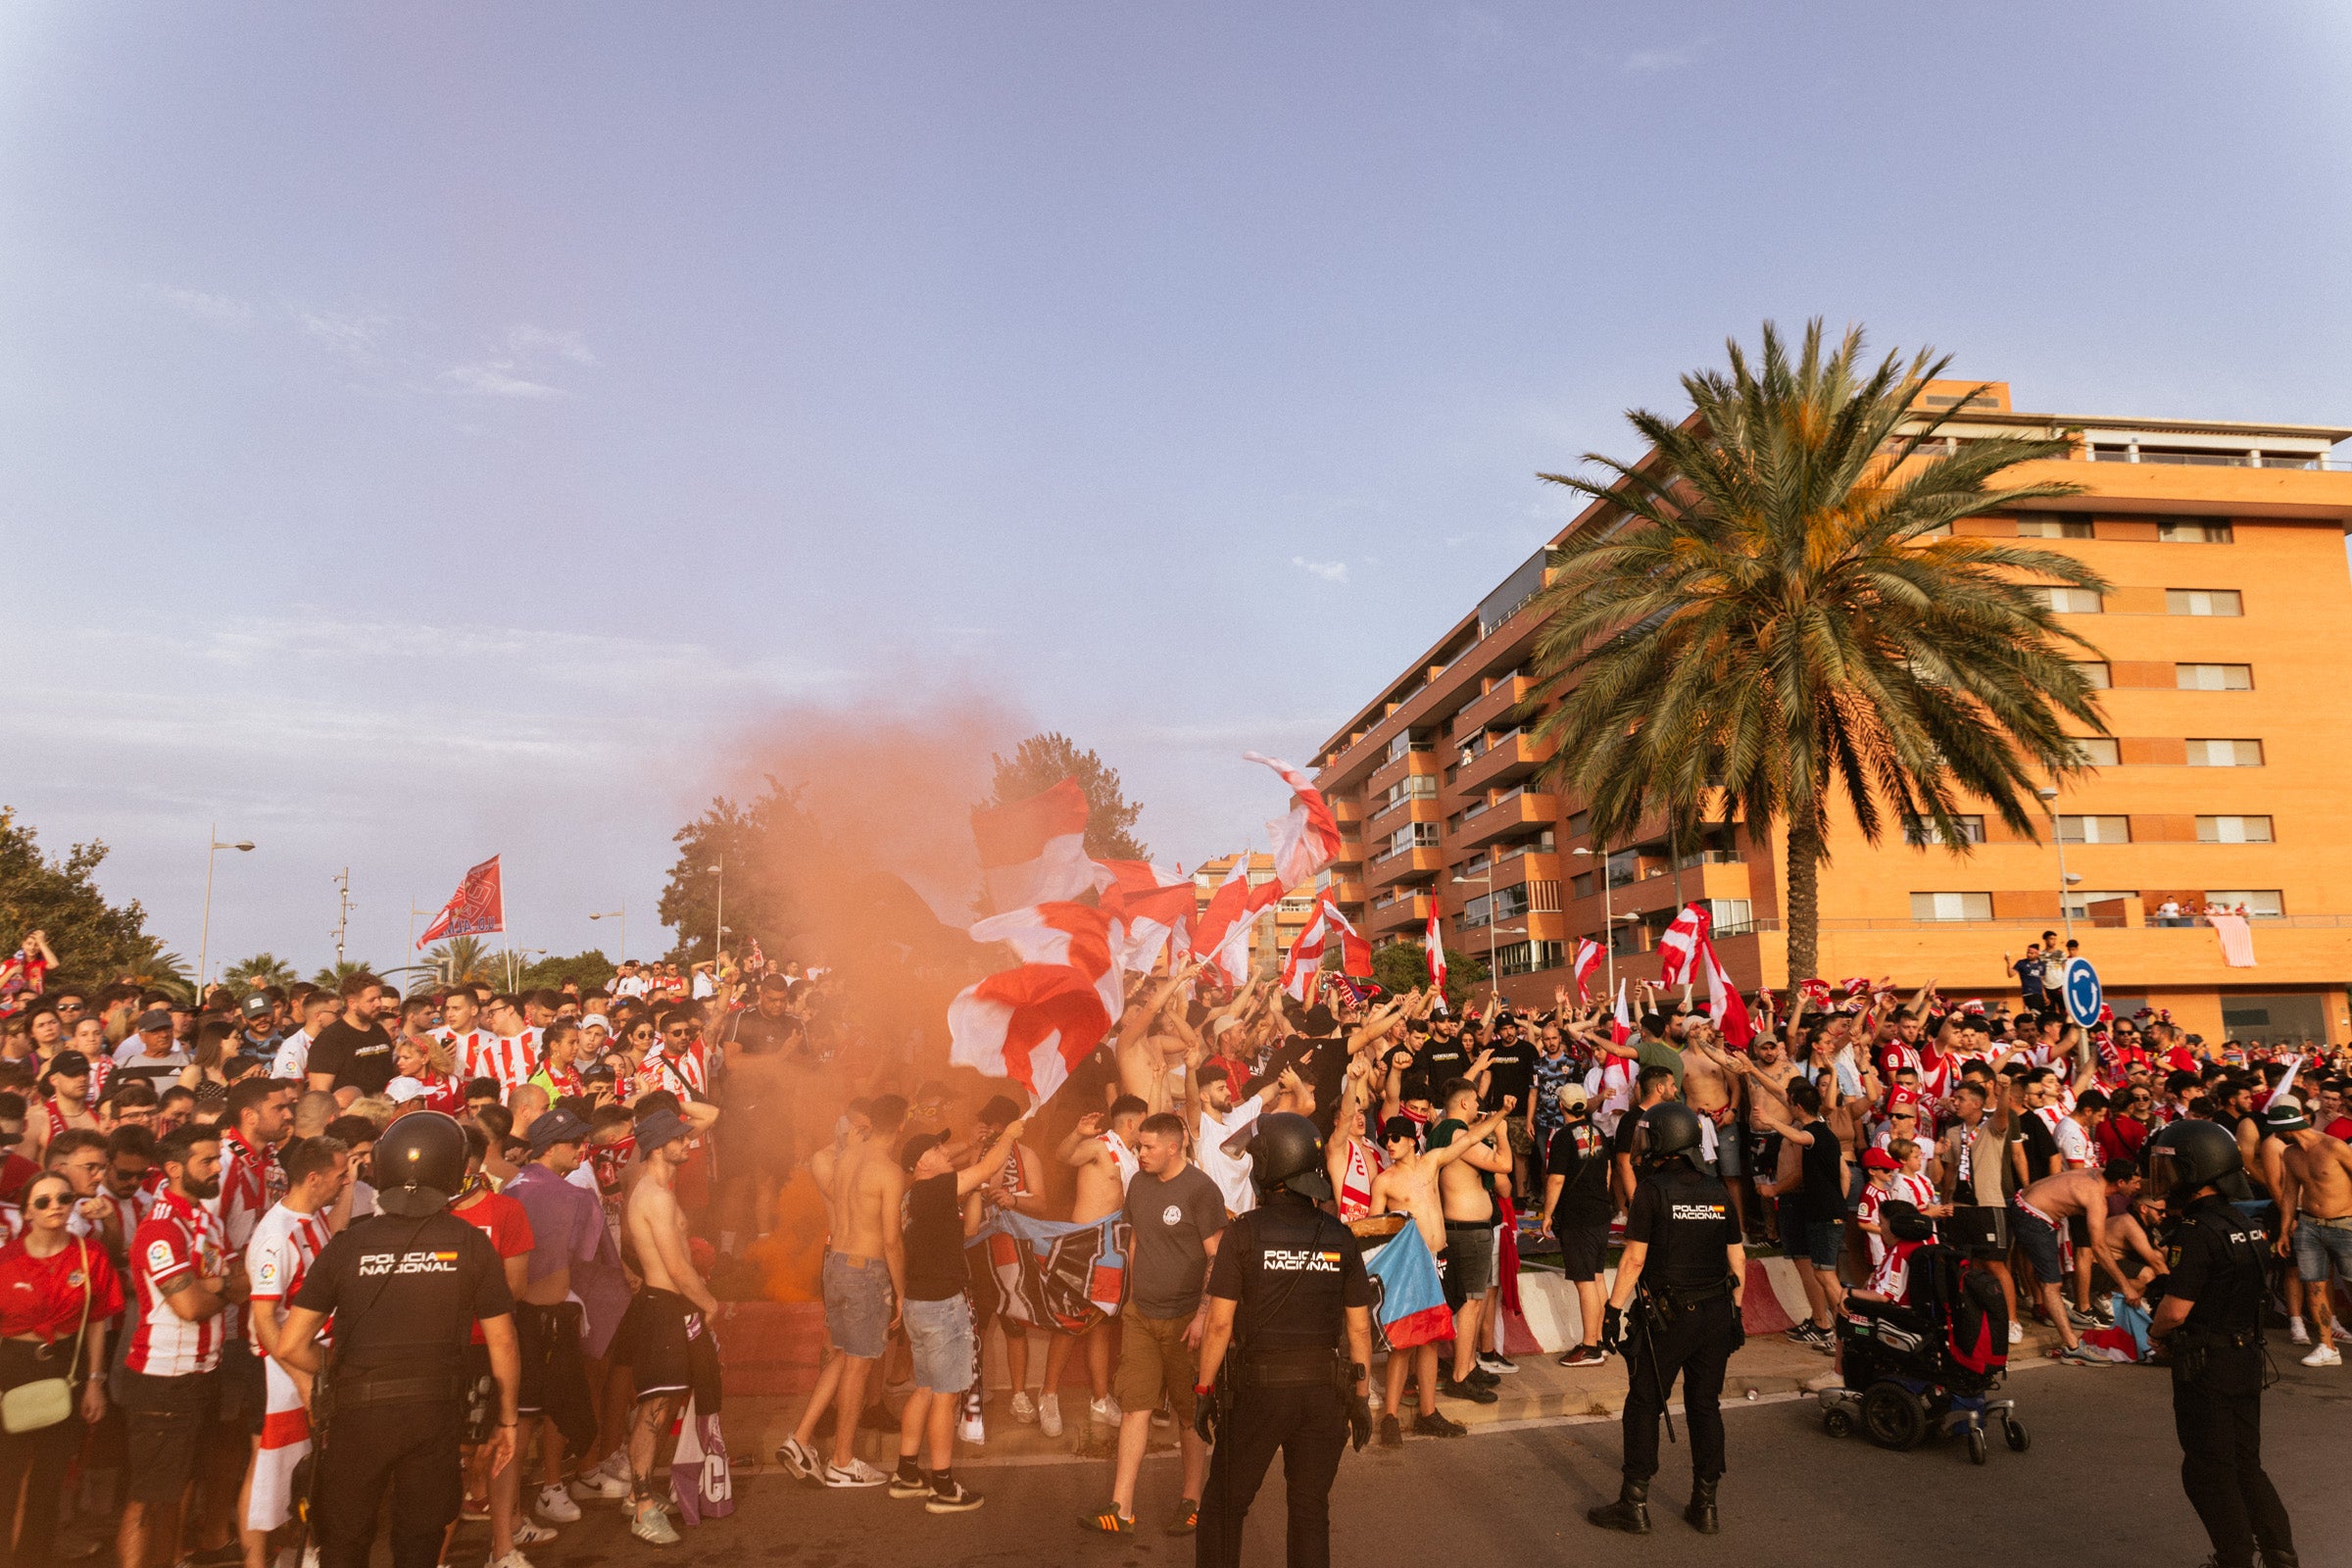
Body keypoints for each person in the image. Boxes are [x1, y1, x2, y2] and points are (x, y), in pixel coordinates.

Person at [273, 1112, 520, 1568]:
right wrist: (506, 1422)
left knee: (345, 1541)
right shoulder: (470, 1243)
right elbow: (502, 1342)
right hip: (433, 1414)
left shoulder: (346, 1244)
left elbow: (289, 1345)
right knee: (420, 1543)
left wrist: (336, 1376)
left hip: (356, 1415)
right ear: (452, 1170)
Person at [1193, 1112, 1373, 1568]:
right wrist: (1361, 1397)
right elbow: (1358, 1328)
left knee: (1224, 1507)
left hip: (1259, 1392)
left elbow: (1219, 1325)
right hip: (1324, 1394)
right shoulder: (1340, 1236)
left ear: (1269, 1167)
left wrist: (1204, 1389)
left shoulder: (1244, 1233)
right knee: (1310, 1511)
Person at [2145, 1117, 2299, 1568]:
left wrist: (2156, 1335)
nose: (2166, 1179)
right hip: (2246, 1355)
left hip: (2206, 1363)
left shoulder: (2198, 1230)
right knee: (2246, 1465)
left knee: (2209, 1470)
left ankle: (2233, 1558)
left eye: (2172, 1169)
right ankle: (2280, 1555)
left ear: (2198, 1170)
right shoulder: (2242, 1220)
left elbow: (2175, 1310)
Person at [1083, 1109, 1223, 1537]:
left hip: (1186, 1320)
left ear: (1173, 1147)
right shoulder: (1139, 1184)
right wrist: (1127, 1296)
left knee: (1188, 1414)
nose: (1138, 1153)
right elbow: (1136, 1238)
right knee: (1135, 1408)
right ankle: (1120, 1508)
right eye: (1138, 1145)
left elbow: (1217, 1256)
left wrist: (1202, 1315)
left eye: (1146, 1147)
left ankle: (1192, 1501)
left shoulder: (1201, 1190)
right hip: (1141, 1316)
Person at [120, 1121, 244, 1568]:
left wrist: (218, 1283)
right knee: (150, 1497)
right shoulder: (161, 1227)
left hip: (203, 1373)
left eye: (218, 1159)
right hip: (162, 1378)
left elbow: (241, 1282)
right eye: (207, 1161)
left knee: (183, 1487)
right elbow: (189, 1305)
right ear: (174, 1168)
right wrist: (221, 1285)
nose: (217, 1168)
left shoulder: (207, 1219)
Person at [891, 1116, 1023, 1515]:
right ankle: (943, 1487)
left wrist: (979, 1154)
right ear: (922, 1164)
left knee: (926, 1389)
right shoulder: (932, 1189)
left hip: (919, 1302)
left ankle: (907, 1473)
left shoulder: (920, 1195)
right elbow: (982, 1169)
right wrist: (1008, 1136)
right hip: (941, 1306)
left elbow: (967, 1229)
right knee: (945, 1398)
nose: (943, 1151)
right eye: (935, 1149)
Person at [0, 1169, 122, 1567]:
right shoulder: (6, 1259)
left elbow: (98, 1319)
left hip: (65, 1368)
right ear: (26, 1213)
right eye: (43, 1201)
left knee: (50, 1480)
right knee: (5, 1478)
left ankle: (31, 1559)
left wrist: (94, 1381)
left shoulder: (91, 1254)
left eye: (63, 1198)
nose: (55, 1207)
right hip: (11, 1368)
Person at [616, 1105, 722, 1544]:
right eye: (678, 1139)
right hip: (664, 1308)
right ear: (659, 1147)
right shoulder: (655, 1196)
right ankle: (641, 1506)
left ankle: (640, 1492)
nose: (687, 1142)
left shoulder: (661, 1186)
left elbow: (709, 1117)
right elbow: (677, 1268)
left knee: (668, 1400)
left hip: (671, 1307)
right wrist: (709, 1303)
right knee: (656, 1409)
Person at [241, 1134, 348, 1560]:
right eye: (341, 1176)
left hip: (308, 1363)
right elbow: (264, 1319)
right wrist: (302, 1380)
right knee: (270, 1470)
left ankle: (296, 1553)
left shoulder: (313, 1216)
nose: (346, 1184)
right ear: (313, 1177)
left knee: (303, 1471)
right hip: (279, 1374)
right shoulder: (275, 1237)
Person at [2269, 1097, 2352, 1369]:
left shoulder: (2333, 1146)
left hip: (2345, 1224)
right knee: (2314, 1286)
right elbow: (2290, 1194)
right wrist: (2284, 1232)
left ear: (2285, 1128)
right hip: (2309, 1225)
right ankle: (2327, 1346)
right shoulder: (2290, 1153)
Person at [1539, 1082, 1612, 1367]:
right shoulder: (1600, 1132)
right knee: (1597, 1276)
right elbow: (1607, 1171)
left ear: (1561, 1106)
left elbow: (1556, 1179)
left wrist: (1547, 1214)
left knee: (1585, 1283)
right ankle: (1602, 1338)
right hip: (1601, 1212)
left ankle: (1590, 1346)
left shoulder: (1561, 1137)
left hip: (1578, 1217)